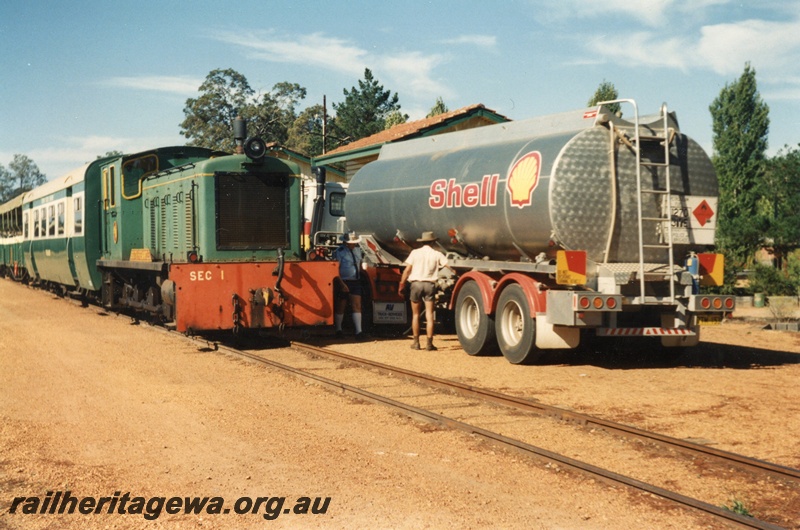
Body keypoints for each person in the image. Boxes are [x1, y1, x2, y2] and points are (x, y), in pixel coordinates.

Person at [397, 231, 449, 351]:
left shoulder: (415, 253)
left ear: (423, 241)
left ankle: (416, 343)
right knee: (429, 315)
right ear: (433, 242)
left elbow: (407, 270)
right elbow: (448, 265)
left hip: (416, 284)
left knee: (416, 315)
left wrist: (401, 284)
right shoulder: (437, 254)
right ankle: (429, 344)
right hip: (430, 285)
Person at [332, 232, 364, 339]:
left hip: (356, 281)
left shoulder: (358, 251)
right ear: (345, 243)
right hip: (344, 281)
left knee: (357, 305)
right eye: (351, 243)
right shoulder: (339, 252)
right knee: (341, 306)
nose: (353, 244)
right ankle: (338, 329)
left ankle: (359, 331)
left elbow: (359, 265)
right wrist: (341, 284)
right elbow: (335, 269)